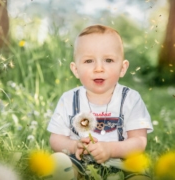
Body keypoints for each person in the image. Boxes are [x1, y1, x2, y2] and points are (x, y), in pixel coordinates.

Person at [47, 24, 153, 180]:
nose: (98, 68)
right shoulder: (69, 99)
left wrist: (110, 149)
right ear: (75, 69)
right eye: (89, 61)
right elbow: (55, 139)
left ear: (122, 68)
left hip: (123, 164)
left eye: (108, 60)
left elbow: (139, 142)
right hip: (80, 163)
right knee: (57, 162)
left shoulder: (130, 98)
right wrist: (73, 145)